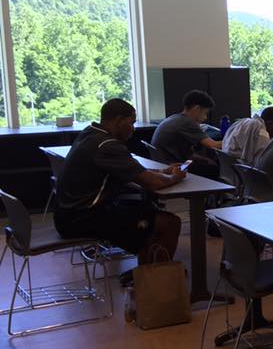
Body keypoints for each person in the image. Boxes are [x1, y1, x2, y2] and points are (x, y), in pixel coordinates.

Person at [54, 99, 185, 266]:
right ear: (119, 121)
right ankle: (157, 283)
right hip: (81, 218)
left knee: (147, 213)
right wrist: (176, 177)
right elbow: (152, 184)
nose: (133, 128)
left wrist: (163, 172)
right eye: (131, 122)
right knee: (169, 223)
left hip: (67, 214)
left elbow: (135, 171)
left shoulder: (90, 133)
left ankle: (145, 276)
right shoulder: (107, 145)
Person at [150, 89, 222, 179]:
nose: (205, 117)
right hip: (175, 167)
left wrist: (203, 159)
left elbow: (186, 153)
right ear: (197, 109)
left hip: (162, 162)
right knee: (213, 169)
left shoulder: (174, 118)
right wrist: (234, 140)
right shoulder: (187, 122)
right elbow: (213, 145)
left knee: (207, 162)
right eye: (205, 113)